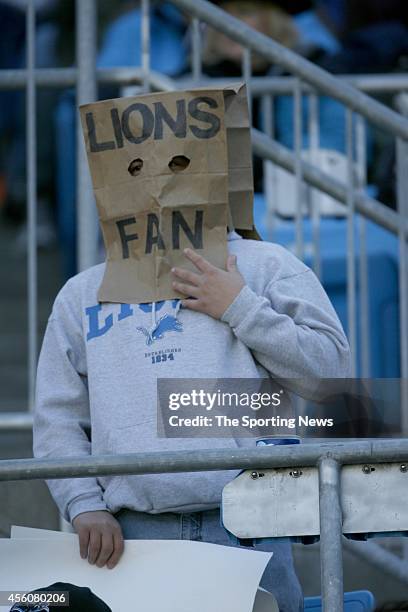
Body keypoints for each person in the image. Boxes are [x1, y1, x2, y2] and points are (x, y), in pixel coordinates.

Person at [33, 88, 350, 612]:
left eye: (181, 161)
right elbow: (57, 416)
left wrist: (240, 307)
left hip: (254, 531)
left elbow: (332, 377)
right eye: (134, 164)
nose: (160, 179)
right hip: (129, 540)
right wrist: (83, 503)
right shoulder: (82, 293)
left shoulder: (269, 265)